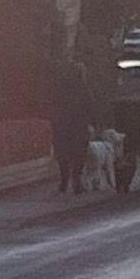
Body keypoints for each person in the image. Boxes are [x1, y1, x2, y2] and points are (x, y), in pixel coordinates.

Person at [106, 66, 140, 195]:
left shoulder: (121, 87)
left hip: (122, 133)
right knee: (128, 160)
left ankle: (122, 183)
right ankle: (123, 183)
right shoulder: (120, 87)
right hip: (124, 135)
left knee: (126, 160)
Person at [49, 62, 91, 195]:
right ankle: (76, 182)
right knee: (79, 154)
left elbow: (54, 103)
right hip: (78, 125)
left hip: (62, 125)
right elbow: (89, 106)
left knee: (63, 154)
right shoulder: (84, 88)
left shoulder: (61, 87)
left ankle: (64, 181)